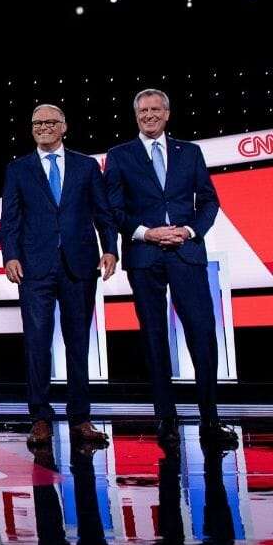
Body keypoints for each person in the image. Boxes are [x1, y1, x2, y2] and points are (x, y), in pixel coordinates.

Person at [104, 89, 237, 448]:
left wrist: (189, 230)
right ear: (136, 116)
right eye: (142, 110)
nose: (149, 115)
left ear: (167, 113)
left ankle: (211, 419)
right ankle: (166, 419)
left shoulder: (189, 153)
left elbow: (208, 200)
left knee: (202, 333)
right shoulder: (119, 157)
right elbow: (114, 209)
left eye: (155, 109)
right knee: (153, 337)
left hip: (186, 252)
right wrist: (147, 232)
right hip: (145, 255)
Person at [0, 104, 117, 448]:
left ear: (64, 126)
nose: (44, 127)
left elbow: (103, 212)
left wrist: (110, 248)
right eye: (37, 122)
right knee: (37, 343)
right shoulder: (18, 169)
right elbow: (10, 219)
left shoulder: (86, 165)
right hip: (35, 268)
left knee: (78, 343)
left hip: (80, 264)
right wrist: (11, 256)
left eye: (51, 122)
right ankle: (40, 418)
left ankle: (80, 417)